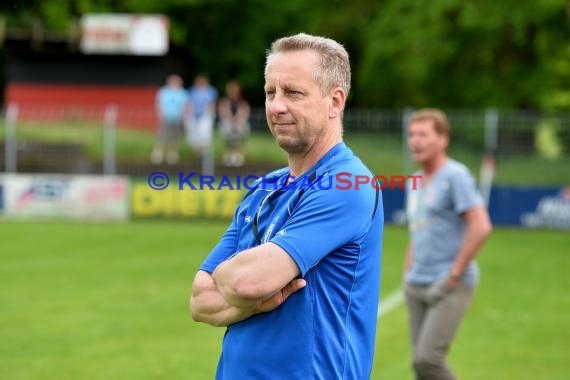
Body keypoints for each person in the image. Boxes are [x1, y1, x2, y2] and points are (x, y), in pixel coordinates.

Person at [190, 33, 384, 380]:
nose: (276, 106)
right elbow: (199, 300)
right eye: (270, 92)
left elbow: (246, 282)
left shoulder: (348, 184)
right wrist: (254, 296)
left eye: (293, 93)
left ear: (335, 102)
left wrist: (236, 282)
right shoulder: (265, 188)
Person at [403, 108, 493, 380]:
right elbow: (417, 230)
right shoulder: (415, 181)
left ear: (443, 139)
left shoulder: (455, 175)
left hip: (449, 283)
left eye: (423, 134)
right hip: (416, 284)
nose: (415, 141)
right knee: (421, 369)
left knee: (428, 360)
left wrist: (454, 275)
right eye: (411, 135)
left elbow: (481, 225)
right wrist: (408, 275)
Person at [150, 74, 187, 165]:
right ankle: (158, 153)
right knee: (161, 135)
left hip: (177, 118)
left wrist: (183, 117)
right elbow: (159, 104)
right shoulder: (163, 92)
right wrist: (160, 115)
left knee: (175, 137)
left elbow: (185, 106)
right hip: (165, 117)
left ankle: (172, 154)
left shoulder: (182, 93)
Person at [184, 74, 218, 163]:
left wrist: (211, 115)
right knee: (194, 136)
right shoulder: (191, 91)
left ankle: (204, 155)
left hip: (205, 116)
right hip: (193, 116)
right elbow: (188, 103)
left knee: (205, 135)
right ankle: (198, 155)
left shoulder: (211, 91)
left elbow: (212, 104)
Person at [218, 80, 251, 167]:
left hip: (239, 123)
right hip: (228, 123)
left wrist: (237, 121)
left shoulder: (242, 103)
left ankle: (239, 154)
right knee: (225, 129)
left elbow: (245, 114)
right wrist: (231, 121)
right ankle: (228, 154)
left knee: (243, 128)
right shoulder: (224, 102)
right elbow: (222, 114)